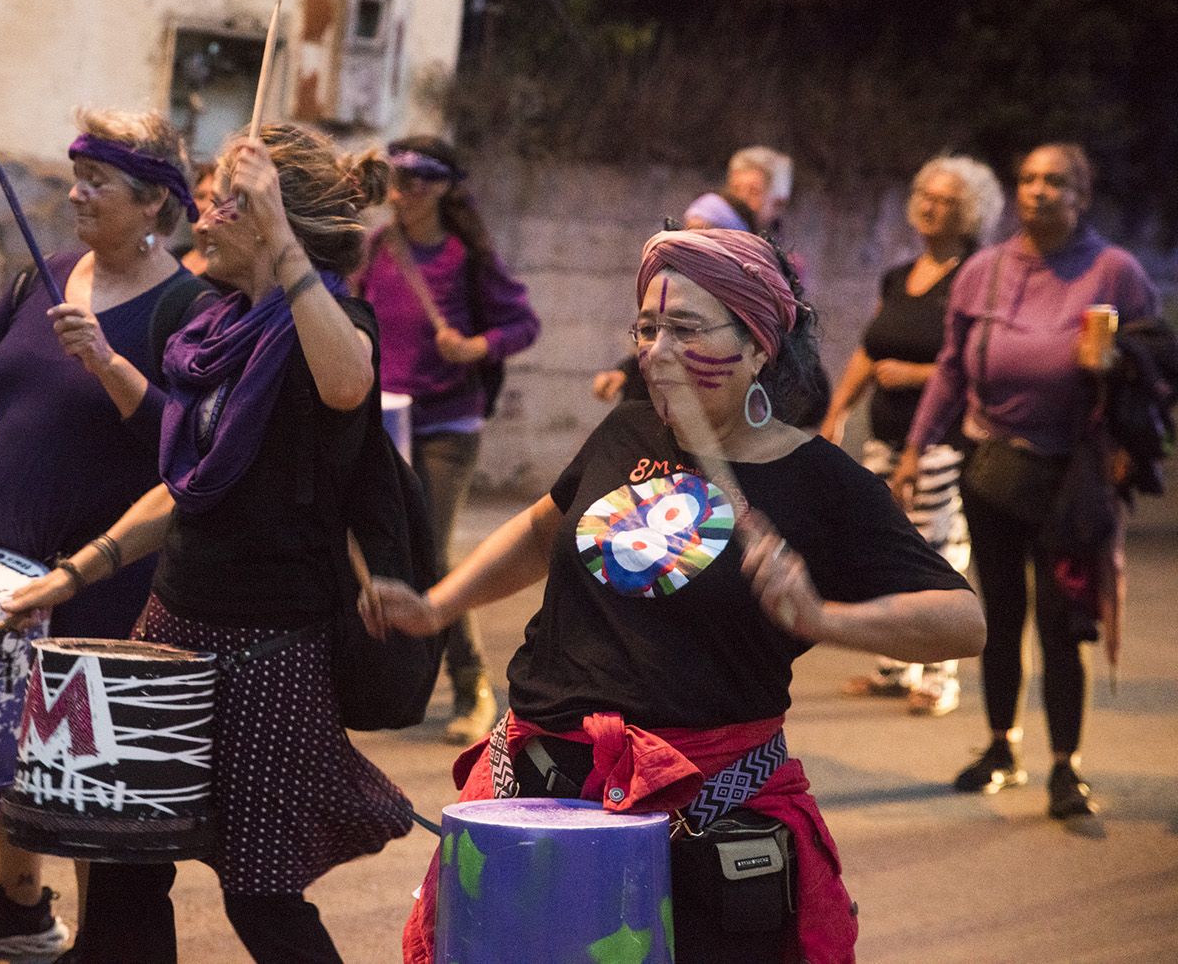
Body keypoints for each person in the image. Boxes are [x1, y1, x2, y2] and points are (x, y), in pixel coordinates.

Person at [365, 228, 984, 964]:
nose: (654, 352)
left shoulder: (824, 483)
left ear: (758, 345)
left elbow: (962, 621)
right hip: (538, 791)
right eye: (648, 328)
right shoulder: (626, 429)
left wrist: (826, 618)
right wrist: (439, 606)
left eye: (685, 329)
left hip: (702, 816)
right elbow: (542, 529)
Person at [2, 123, 413, 964]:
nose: (206, 208)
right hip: (171, 626)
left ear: (272, 220)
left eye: (230, 198)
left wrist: (286, 245)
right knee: (121, 860)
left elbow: (350, 382)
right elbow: (186, 494)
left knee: (261, 894)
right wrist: (76, 575)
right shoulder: (212, 326)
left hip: (271, 648)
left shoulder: (332, 325)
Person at [0, 108, 204, 959]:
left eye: (97, 183)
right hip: (11, 556)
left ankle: (109, 936)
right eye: (77, 177)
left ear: (153, 204)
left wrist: (106, 360)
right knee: (18, 743)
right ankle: (21, 904)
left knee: (94, 773)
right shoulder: (43, 275)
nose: (76, 195)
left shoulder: (187, 305)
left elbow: (187, 446)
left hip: (112, 573)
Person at [891, 143, 1160, 822]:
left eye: (1056, 181)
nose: (1038, 191)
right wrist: (916, 446)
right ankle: (1001, 748)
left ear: (1081, 195)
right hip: (991, 467)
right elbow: (953, 367)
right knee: (1001, 614)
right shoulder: (982, 269)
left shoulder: (1114, 271)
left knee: (1063, 624)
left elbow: (1160, 365)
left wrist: (1126, 405)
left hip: (1072, 474)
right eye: (1029, 179)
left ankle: (1066, 766)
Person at [358, 135, 540, 744]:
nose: (402, 192)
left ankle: (473, 688)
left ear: (441, 187)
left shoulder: (466, 255)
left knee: (430, 555)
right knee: (370, 552)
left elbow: (522, 323)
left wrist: (476, 346)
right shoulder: (374, 248)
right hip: (382, 420)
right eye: (394, 179)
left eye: (415, 180)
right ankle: (378, 680)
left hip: (446, 427)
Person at [820, 155, 1004, 716]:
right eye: (925, 194)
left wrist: (916, 375)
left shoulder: (980, 276)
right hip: (886, 435)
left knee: (938, 549)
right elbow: (870, 347)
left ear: (970, 213)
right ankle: (896, 665)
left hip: (945, 440)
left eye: (946, 199)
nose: (930, 206)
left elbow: (986, 360)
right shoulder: (899, 276)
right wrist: (838, 409)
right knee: (885, 547)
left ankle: (940, 675)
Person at [593, 146, 793, 404]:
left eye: (753, 192)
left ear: (778, 202)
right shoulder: (695, 260)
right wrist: (627, 372)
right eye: (735, 188)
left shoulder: (781, 273)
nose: (739, 199)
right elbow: (666, 331)